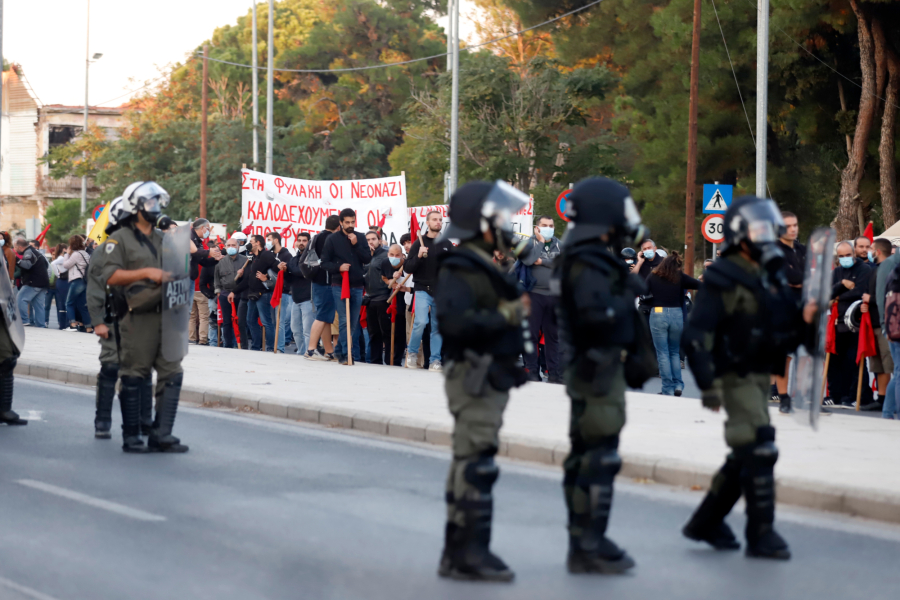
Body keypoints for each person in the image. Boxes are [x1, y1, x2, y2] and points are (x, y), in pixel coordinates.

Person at [682, 196, 817, 560]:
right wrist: (707, 383)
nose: (767, 234)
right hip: (733, 372)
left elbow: (785, 332)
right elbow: (695, 336)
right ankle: (761, 534)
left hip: (760, 372)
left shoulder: (769, 275)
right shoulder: (723, 275)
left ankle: (705, 521)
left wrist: (806, 318)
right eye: (759, 228)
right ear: (740, 233)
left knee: (746, 451)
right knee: (759, 445)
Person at [434, 181, 530, 582]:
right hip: (474, 372)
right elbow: (455, 324)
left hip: (487, 371)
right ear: (482, 222)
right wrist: (509, 314)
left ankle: (458, 551)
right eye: (500, 218)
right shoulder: (461, 266)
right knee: (476, 463)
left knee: (471, 459)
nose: (506, 225)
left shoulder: (481, 263)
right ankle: (469, 552)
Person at [556, 177, 649, 575]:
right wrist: (624, 296)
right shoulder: (589, 260)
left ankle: (587, 538)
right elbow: (597, 317)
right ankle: (588, 543)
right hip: (597, 367)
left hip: (592, 367)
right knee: (598, 456)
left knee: (589, 454)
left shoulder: (585, 253)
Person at [101, 181, 188, 453]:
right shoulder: (119, 239)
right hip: (137, 317)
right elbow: (110, 276)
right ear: (135, 207)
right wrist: (146, 274)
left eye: (157, 202)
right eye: (150, 203)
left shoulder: (163, 239)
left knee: (172, 372)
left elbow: (176, 271)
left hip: (167, 315)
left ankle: (162, 434)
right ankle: (132, 436)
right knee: (135, 374)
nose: (156, 207)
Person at [85, 197, 138, 439]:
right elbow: (95, 288)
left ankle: (137, 424)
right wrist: (97, 321)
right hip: (113, 320)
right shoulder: (104, 252)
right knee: (110, 368)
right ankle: (103, 420)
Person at [404, 210, 453, 371]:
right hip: (422, 289)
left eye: (440, 220)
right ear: (428, 222)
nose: (438, 222)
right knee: (421, 322)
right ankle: (411, 353)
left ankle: (435, 360)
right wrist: (418, 256)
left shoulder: (446, 244)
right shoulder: (419, 243)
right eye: (434, 219)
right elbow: (408, 267)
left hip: (441, 291)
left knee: (437, 327)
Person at [321, 209, 371, 365]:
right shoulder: (332, 239)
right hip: (339, 284)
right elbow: (324, 263)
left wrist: (356, 245)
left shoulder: (361, 237)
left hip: (357, 285)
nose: (350, 225)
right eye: (347, 222)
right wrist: (338, 267)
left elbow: (367, 258)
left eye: (353, 222)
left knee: (353, 322)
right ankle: (344, 353)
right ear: (341, 223)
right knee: (343, 320)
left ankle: (339, 350)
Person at [827, 241, 874, 408]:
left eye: (848, 255)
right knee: (834, 361)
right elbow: (828, 292)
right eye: (841, 256)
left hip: (856, 323)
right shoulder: (837, 272)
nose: (845, 258)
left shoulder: (864, 269)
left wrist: (839, 295)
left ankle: (856, 395)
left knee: (853, 361)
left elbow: (860, 291)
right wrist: (841, 286)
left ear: (853, 253)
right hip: (837, 322)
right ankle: (836, 395)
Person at [646, 251, 699, 396]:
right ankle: (678, 385)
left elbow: (642, 291)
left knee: (662, 353)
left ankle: (667, 388)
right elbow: (699, 285)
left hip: (658, 313)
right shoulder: (679, 277)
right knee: (674, 352)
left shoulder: (653, 276)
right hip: (676, 314)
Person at [521, 215, 563, 384]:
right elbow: (529, 260)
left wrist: (543, 261)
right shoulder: (527, 244)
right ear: (536, 228)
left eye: (551, 225)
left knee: (553, 337)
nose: (548, 228)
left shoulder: (559, 244)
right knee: (530, 335)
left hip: (554, 296)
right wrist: (539, 243)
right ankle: (532, 371)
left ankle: (554, 374)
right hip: (533, 295)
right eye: (544, 225)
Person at [861, 237, 893, 411]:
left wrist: (870, 299)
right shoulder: (875, 270)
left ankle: (891, 399)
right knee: (878, 363)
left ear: (878, 251)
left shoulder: (891, 270)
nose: (869, 252)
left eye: (871, 248)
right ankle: (881, 399)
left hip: (886, 324)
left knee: (889, 363)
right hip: (874, 322)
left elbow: (889, 295)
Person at [304, 215, 340, 361]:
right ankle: (311, 349)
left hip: (316, 281)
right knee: (322, 316)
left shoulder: (316, 237)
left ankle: (328, 351)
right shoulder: (332, 239)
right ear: (339, 227)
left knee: (325, 316)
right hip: (327, 282)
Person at [234, 235, 278, 352]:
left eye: (251, 241)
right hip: (253, 294)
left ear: (258, 243)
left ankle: (270, 348)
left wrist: (267, 277)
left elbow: (277, 269)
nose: (249, 244)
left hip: (263, 293)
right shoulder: (254, 257)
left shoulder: (266, 255)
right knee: (250, 321)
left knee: (266, 322)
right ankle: (255, 347)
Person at [875, 238, 900, 419]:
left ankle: (887, 412)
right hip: (894, 329)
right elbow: (880, 297)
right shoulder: (889, 265)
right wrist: (885, 327)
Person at [188, 218, 222, 345]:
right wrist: (209, 252)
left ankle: (189, 339)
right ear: (202, 228)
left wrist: (216, 259)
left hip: (191, 278)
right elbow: (194, 251)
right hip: (183, 277)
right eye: (207, 228)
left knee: (188, 312)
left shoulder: (198, 241)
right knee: (185, 311)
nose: (208, 231)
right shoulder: (189, 237)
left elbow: (203, 261)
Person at [365, 230, 392, 365]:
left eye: (373, 239)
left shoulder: (385, 256)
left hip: (383, 298)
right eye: (368, 240)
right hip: (369, 299)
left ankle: (389, 361)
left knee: (386, 332)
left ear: (379, 241)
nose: (370, 242)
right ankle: (375, 361)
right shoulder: (364, 256)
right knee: (373, 333)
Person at [217, 237, 249, 349]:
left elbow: (248, 279)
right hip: (225, 294)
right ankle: (228, 345)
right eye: (229, 245)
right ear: (225, 247)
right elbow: (217, 279)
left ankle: (242, 346)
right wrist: (218, 292)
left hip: (240, 294)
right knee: (227, 322)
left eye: (233, 245)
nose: (231, 247)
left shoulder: (245, 260)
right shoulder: (221, 262)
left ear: (238, 247)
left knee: (241, 321)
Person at [264, 231, 293, 353]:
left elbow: (290, 274)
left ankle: (280, 347)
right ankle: (273, 345)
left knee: (280, 321)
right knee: (272, 321)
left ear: (276, 240)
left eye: (269, 239)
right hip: (270, 290)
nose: (267, 242)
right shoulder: (269, 255)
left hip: (283, 292)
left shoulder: (286, 255)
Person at [382, 243, 409, 365]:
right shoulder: (385, 263)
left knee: (401, 331)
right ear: (388, 254)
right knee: (389, 331)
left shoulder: (407, 264)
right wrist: (390, 282)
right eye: (392, 254)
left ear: (402, 255)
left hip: (404, 299)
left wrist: (400, 278)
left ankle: (397, 360)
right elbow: (384, 277)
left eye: (397, 255)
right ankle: (389, 360)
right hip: (390, 299)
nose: (394, 257)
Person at [287, 233, 314, 354]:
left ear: (309, 242)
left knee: (307, 330)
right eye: (299, 240)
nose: (301, 243)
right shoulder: (293, 259)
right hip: (295, 299)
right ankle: (301, 352)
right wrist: (284, 270)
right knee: (295, 330)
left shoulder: (312, 257)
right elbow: (290, 278)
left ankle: (307, 352)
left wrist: (291, 269)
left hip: (308, 299)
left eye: (304, 240)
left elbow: (302, 272)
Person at [15, 238, 49, 328]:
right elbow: (46, 265)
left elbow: (27, 265)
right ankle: (41, 326)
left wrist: (16, 260)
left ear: (20, 247)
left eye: (15, 247)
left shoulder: (28, 252)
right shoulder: (36, 252)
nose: (15, 250)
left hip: (33, 282)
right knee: (39, 305)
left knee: (20, 299)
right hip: (43, 282)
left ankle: (24, 320)